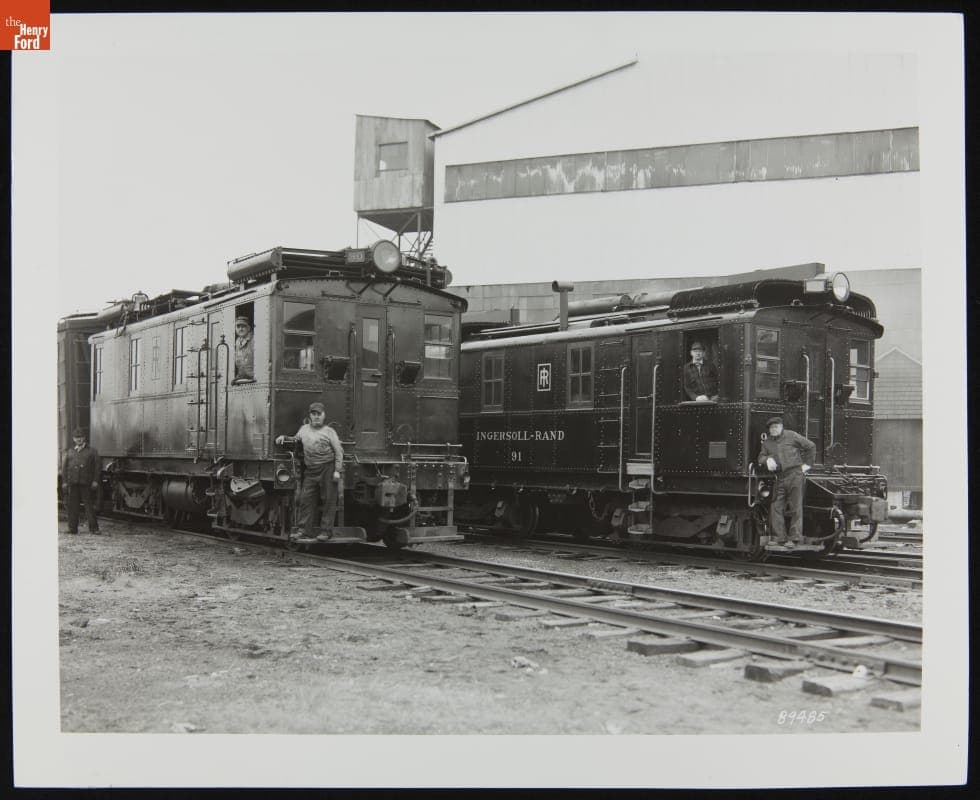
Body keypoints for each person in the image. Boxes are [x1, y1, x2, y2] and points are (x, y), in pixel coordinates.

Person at [276, 402, 344, 542]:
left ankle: (326, 532)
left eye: (319, 414)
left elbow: (339, 452)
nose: (316, 417)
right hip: (311, 470)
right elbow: (296, 439)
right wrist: (284, 437)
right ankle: (303, 531)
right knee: (306, 499)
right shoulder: (304, 429)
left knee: (328, 500)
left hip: (327, 468)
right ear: (310, 416)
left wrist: (337, 471)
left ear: (324, 416)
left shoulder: (329, 432)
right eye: (314, 414)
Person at [757, 416, 816, 550]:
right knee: (776, 507)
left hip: (795, 475)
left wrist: (808, 465)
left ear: (781, 427)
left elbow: (811, 446)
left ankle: (795, 538)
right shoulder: (767, 443)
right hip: (779, 477)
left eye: (776, 426)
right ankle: (779, 538)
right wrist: (766, 460)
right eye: (772, 428)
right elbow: (760, 457)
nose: (774, 429)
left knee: (796, 507)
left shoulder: (792, 436)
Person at [62, 427, 101, 535]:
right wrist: (64, 482)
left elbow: (98, 467)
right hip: (73, 483)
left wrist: (95, 481)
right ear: (74, 439)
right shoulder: (70, 452)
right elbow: (65, 468)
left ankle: (94, 528)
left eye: (80, 437)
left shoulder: (92, 451)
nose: (78, 439)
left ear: (84, 438)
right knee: (72, 507)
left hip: (86, 483)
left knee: (89, 506)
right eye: (76, 437)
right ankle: (72, 528)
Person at [233, 316, 254, 382]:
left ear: (249, 328)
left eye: (243, 326)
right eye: (238, 327)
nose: (240, 329)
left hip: (252, 377)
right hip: (242, 378)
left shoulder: (253, 340)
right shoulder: (237, 342)